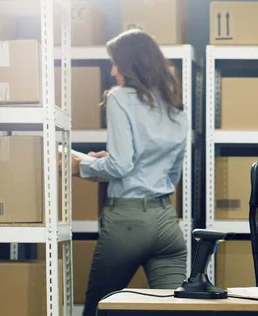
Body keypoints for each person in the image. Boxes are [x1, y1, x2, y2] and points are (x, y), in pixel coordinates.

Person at [69, 29, 189, 315]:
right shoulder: (176, 108)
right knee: (177, 310)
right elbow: (172, 173)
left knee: (99, 308)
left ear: (131, 64)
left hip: (128, 223)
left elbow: (122, 165)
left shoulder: (119, 98)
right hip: (167, 222)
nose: (112, 72)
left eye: (116, 64)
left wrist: (81, 166)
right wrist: (112, 161)